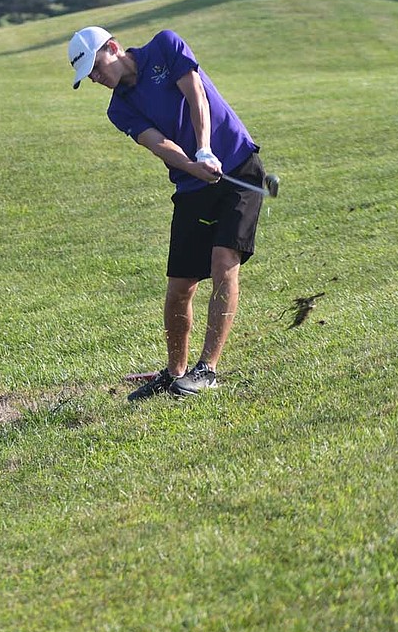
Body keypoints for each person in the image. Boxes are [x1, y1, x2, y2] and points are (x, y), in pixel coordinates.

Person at [67, 26, 266, 401]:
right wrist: (195, 166)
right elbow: (158, 143)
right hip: (192, 186)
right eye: (88, 76)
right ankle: (175, 372)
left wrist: (206, 148)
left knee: (224, 261)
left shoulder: (165, 45)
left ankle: (206, 370)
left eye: (94, 67)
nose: (95, 78)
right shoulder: (118, 108)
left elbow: (197, 97)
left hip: (238, 166)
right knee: (179, 289)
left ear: (112, 47)